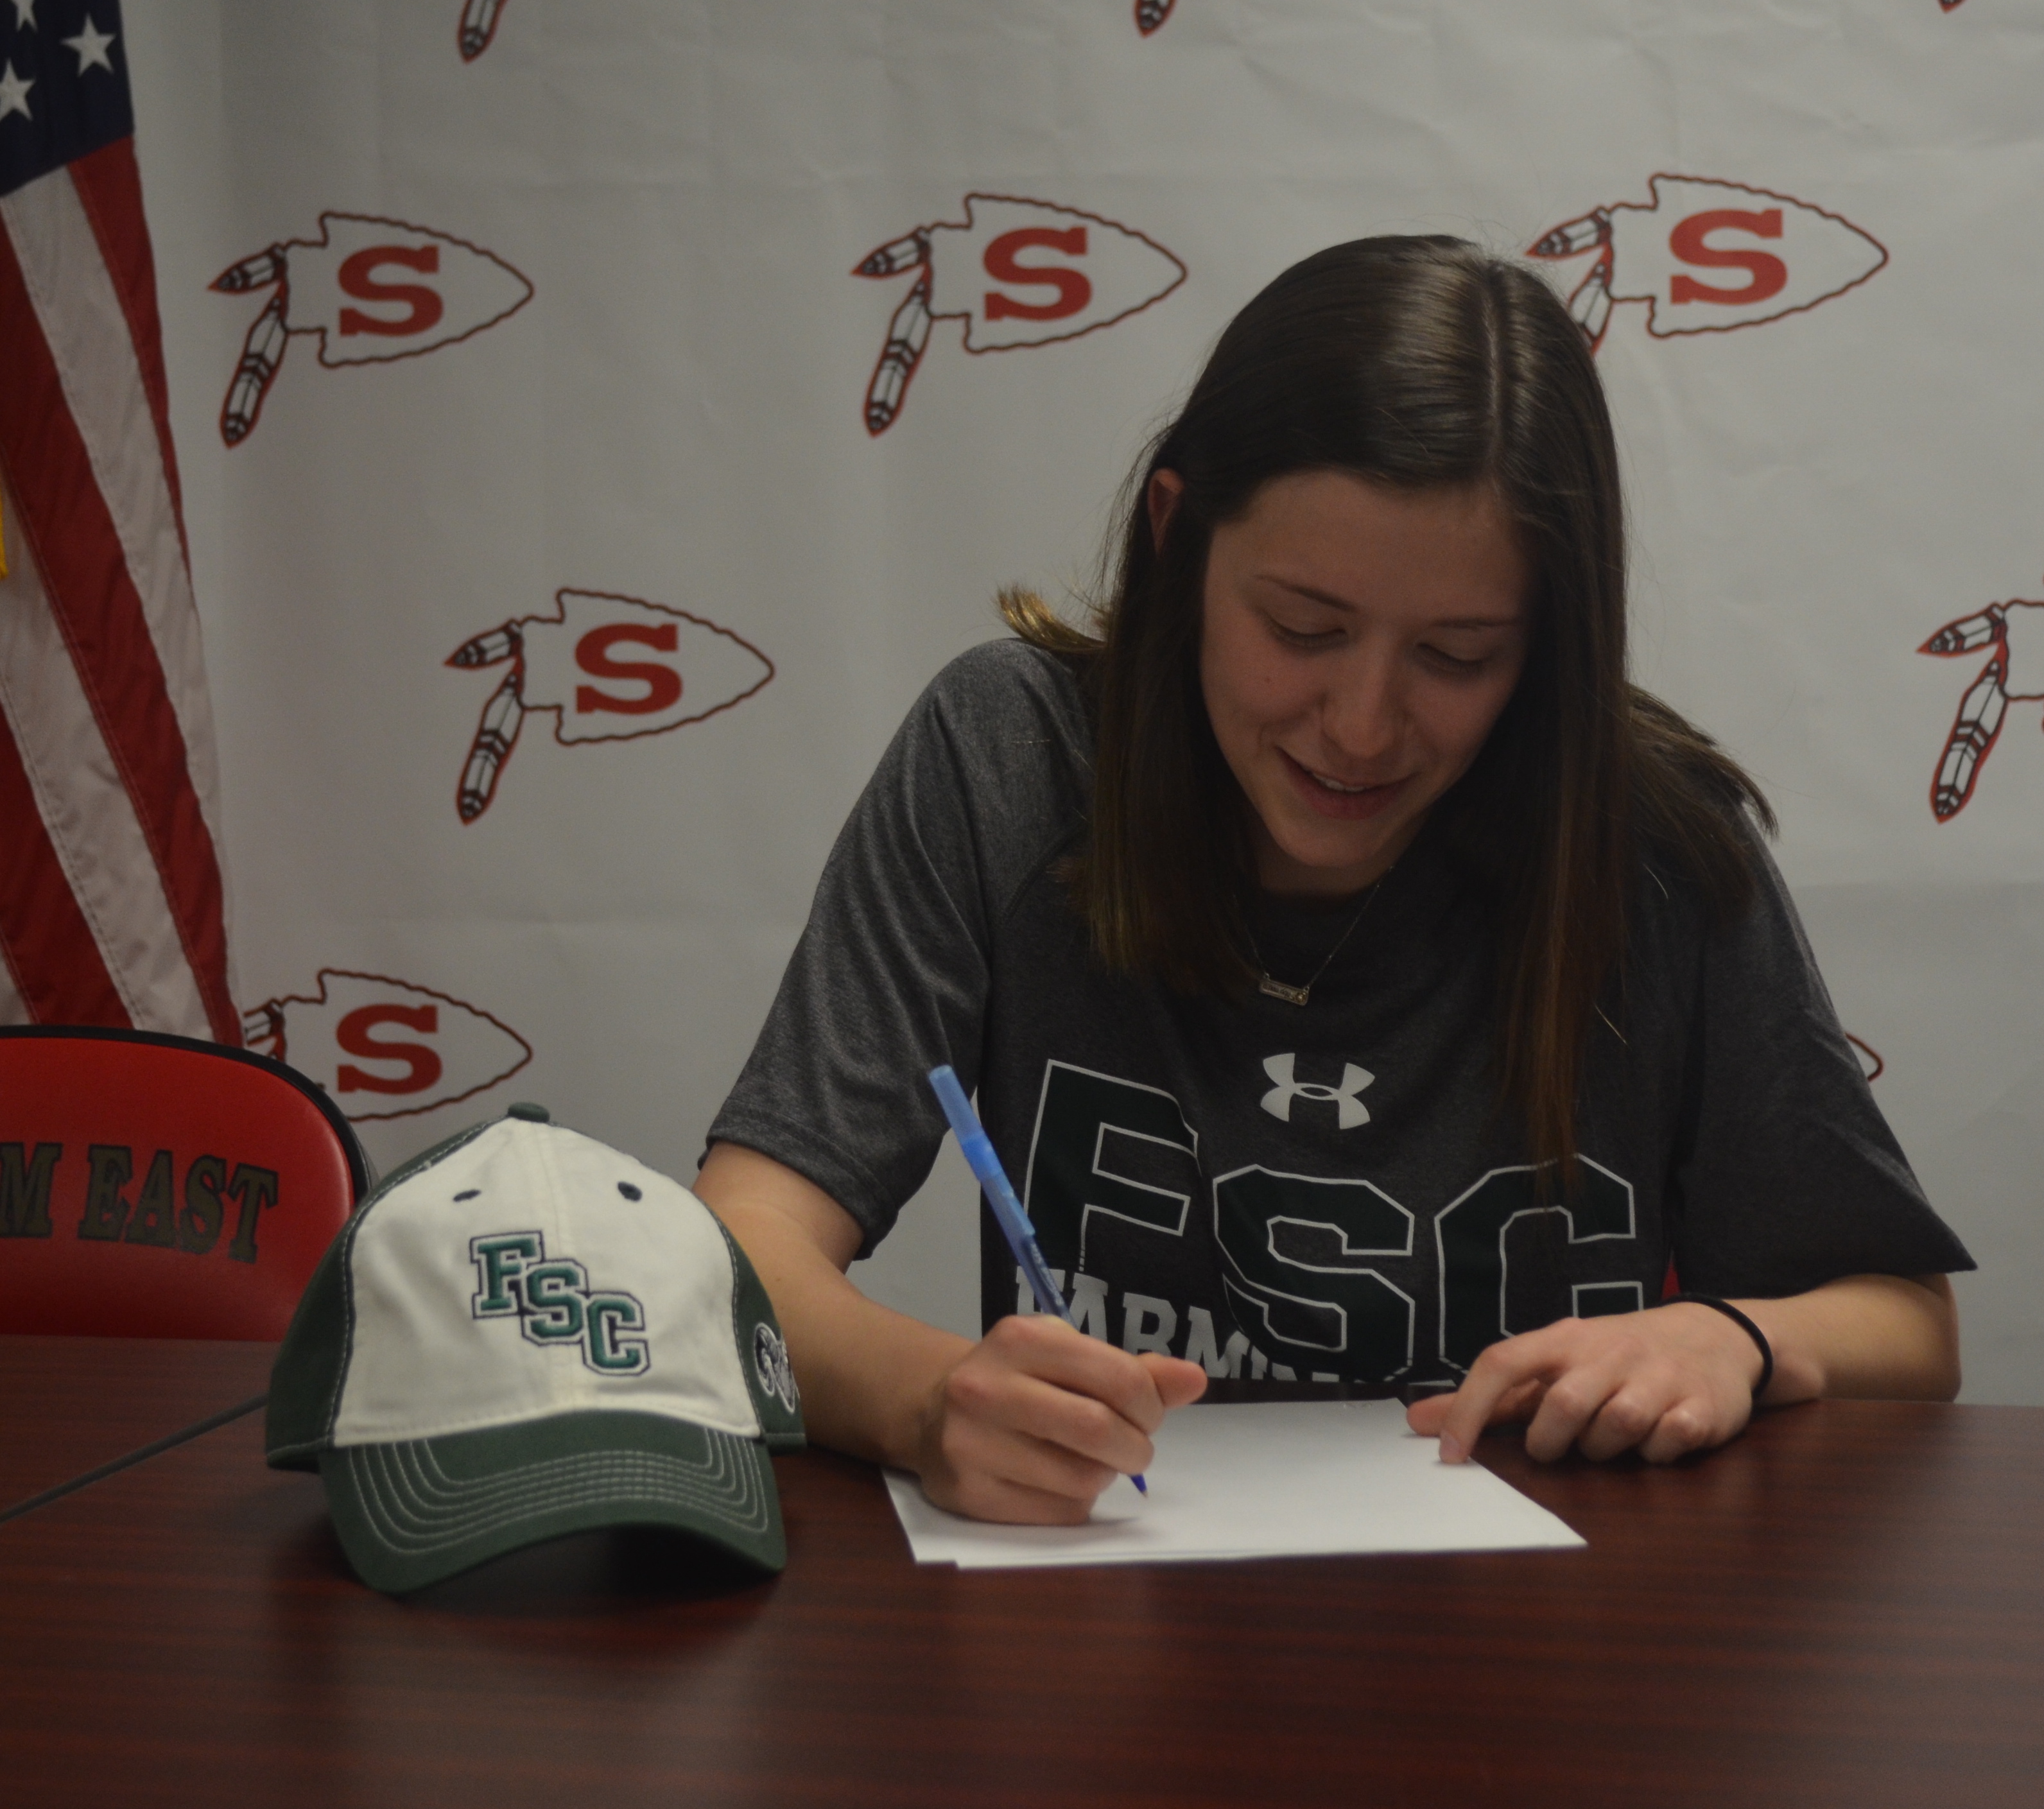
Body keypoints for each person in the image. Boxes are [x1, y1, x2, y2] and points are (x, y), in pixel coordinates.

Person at [699, 236, 1972, 1526]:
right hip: (1108, 1596)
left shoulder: (1648, 843)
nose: (1361, 726)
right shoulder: (1010, 760)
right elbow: (742, 1248)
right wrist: (928, 1400)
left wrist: (1736, 1338)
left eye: (1457, 655)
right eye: (1302, 628)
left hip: (1552, 1618)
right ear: (1177, 536)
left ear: (1548, 638)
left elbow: (1908, 1327)